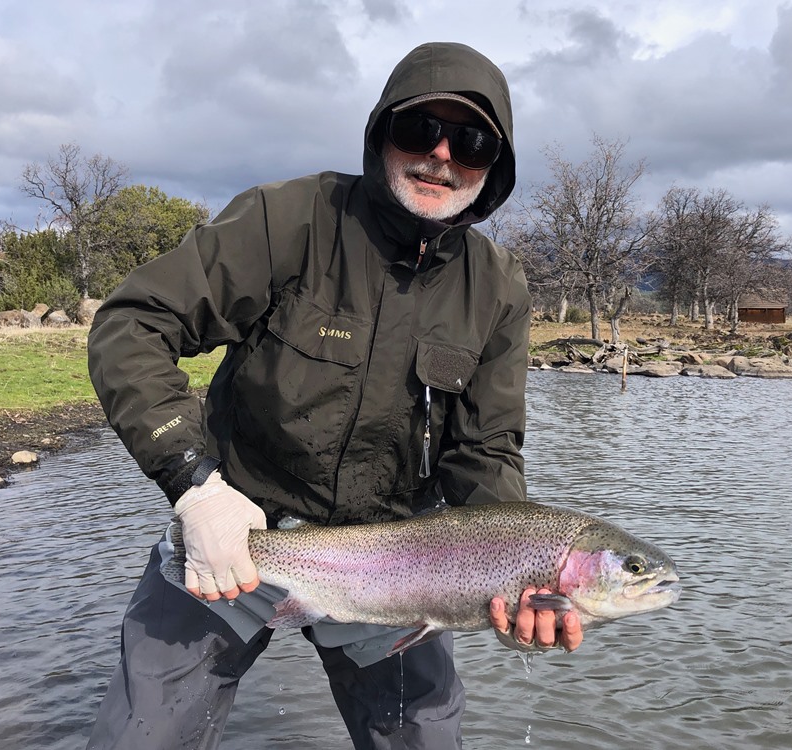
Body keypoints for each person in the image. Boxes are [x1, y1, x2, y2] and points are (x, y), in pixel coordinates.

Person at [85, 41, 583, 750]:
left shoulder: (498, 287)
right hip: (234, 536)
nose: (441, 155)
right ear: (383, 133)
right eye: (420, 129)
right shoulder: (287, 219)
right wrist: (194, 486)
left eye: (470, 141)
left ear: (493, 166)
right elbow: (133, 324)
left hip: (393, 567)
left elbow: (484, 451)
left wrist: (513, 572)